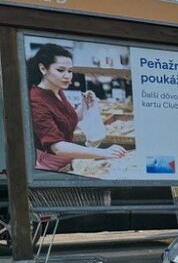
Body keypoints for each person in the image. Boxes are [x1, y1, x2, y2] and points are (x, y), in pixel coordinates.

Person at [28, 43, 128, 172]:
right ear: (43, 69)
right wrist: (104, 153)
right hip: (49, 169)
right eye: (60, 70)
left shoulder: (57, 91)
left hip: (65, 163)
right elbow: (57, 147)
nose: (67, 76)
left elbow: (67, 119)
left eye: (70, 71)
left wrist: (85, 106)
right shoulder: (36, 100)